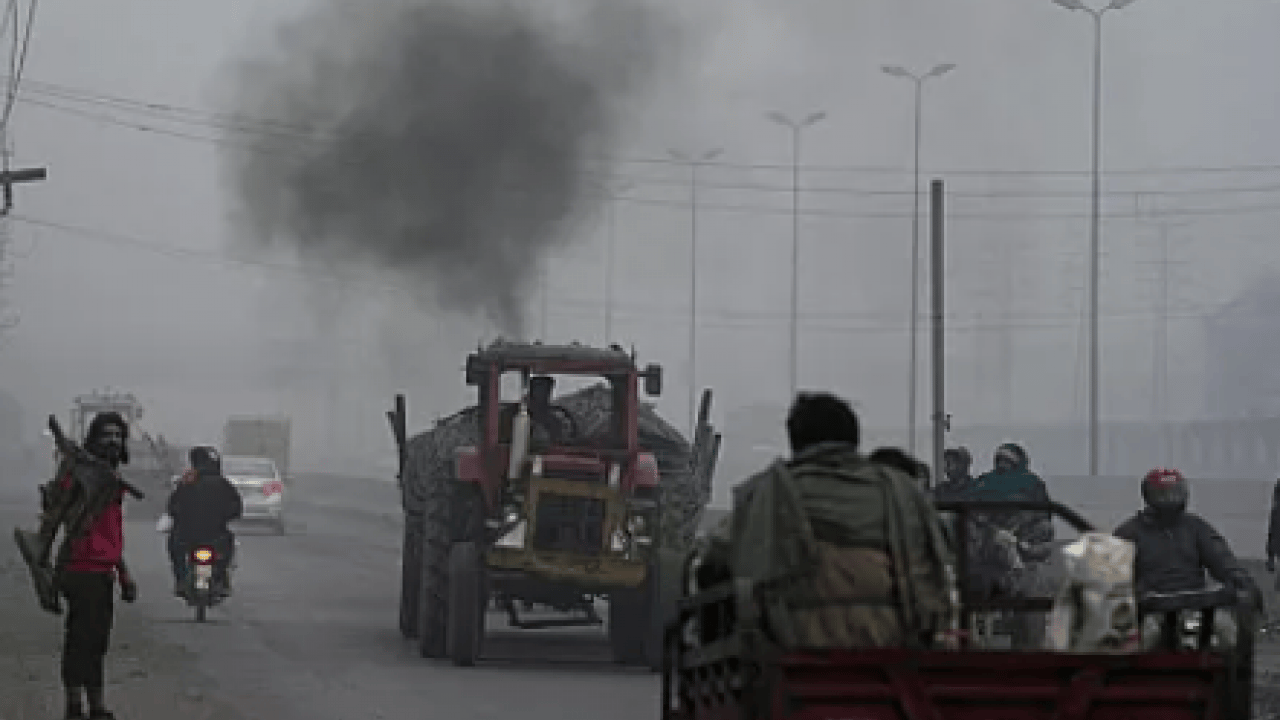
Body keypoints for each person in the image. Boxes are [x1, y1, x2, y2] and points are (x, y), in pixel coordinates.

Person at [698, 392, 956, 649]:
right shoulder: (899, 491)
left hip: (793, 640)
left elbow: (715, 558)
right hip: (893, 638)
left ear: (795, 441)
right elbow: (937, 560)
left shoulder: (769, 492)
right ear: (854, 439)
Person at [54, 412, 138, 720]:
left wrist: (123, 575)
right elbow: (61, 504)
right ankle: (78, 706)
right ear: (93, 438)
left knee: (95, 641)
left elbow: (112, 536)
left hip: (101, 572)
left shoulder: (112, 479)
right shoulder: (80, 473)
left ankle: (93, 705)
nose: (113, 441)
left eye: (118, 436)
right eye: (107, 435)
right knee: (82, 641)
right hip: (80, 569)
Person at [1115, 468, 1259, 602]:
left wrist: (1237, 576)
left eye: (1174, 494)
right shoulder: (1129, 532)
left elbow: (1220, 555)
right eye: (1163, 495)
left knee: (1227, 625)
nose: (1170, 499)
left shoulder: (1195, 526)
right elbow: (1113, 572)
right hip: (1149, 603)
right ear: (1148, 496)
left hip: (1195, 600)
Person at [166, 446, 242, 596]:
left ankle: (181, 580)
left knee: (175, 546)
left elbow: (172, 506)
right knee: (227, 546)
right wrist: (224, 517)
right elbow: (236, 507)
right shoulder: (223, 484)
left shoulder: (187, 482)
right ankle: (219, 579)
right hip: (216, 534)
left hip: (186, 534)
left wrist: (180, 516)